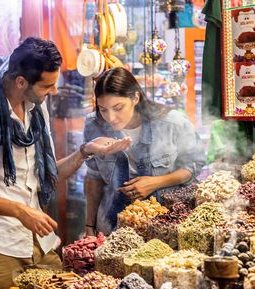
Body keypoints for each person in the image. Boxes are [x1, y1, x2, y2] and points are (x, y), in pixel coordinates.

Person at [0, 37, 131, 289]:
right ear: (21, 82)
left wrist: (85, 151)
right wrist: (20, 211)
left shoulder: (36, 109)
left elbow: (48, 175)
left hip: (39, 244)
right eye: (47, 86)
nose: (53, 92)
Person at [84, 67, 206, 236]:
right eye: (103, 109)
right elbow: (93, 179)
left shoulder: (171, 123)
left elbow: (192, 166)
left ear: (135, 97)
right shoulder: (94, 126)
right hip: (112, 226)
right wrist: (89, 227)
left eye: (118, 107)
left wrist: (157, 182)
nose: (110, 117)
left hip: (166, 224)